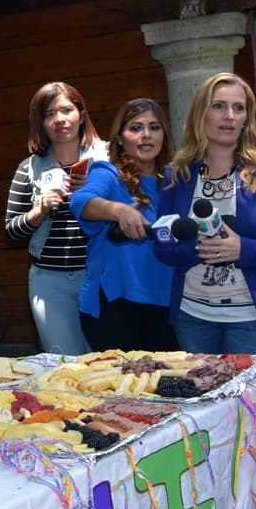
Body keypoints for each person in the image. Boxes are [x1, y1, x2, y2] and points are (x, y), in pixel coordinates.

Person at [154, 73, 256, 366]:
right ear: (200, 113)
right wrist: (198, 249)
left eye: (238, 108)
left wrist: (245, 249)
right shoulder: (177, 173)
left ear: (247, 117)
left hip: (253, 319)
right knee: (206, 406)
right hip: (192, 317)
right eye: (218, 106)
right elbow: (162, 245)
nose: (229, 116)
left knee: (245, 408)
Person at [4, 81, 107, 356]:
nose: (59, 119)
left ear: (81, 115)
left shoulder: (108, 158)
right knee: (65, 364)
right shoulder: (29, 168)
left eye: (66, 110)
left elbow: (131, 210)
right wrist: (38, 213)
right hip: (49, 283)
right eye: (49, 114)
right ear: (40, 123)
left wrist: (94, 194)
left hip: (100, 277)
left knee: (107, 362)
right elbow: (11, 231)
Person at [70, 98, 179, 351]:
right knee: (122, 389)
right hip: (113, 306)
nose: (146, 135)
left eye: (154, 127)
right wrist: (118, 210)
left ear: (164, 135)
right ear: (119, 138)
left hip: (166, 305)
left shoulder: (176, 182)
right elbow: (80, 201)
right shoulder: (107, 174)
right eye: (135, 128)